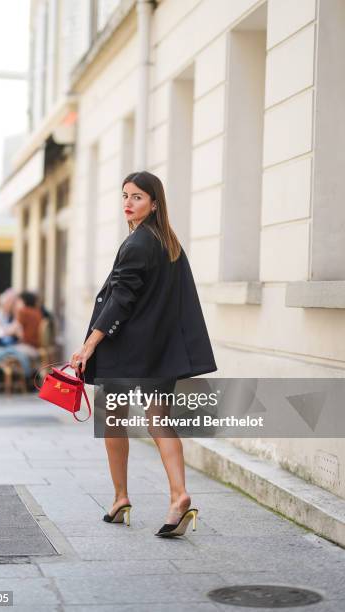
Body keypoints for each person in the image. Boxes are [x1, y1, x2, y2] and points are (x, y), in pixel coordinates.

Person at [70, 170, 217, 538]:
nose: (128, 203)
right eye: (124, 196)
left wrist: (89, 344)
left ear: (154, 203)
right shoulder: (168, 243)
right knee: (158, 419)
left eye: (137, 197)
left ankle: (121, 497)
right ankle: (177, 495)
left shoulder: (137, 244)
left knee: (113, 419)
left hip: (127, 350)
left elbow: (122, 297)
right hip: (160, 349)